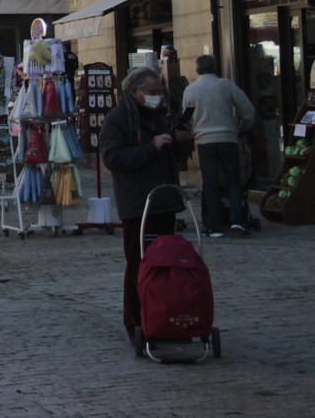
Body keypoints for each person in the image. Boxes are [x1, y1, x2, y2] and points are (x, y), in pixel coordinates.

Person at [100, 66, 193, 341]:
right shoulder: (119, 118)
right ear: (135, 92)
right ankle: (137, 322)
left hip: (163, 199)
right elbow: (113, 159)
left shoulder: (158, 116)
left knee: (167, 264)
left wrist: (181, 142)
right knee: (139, 264)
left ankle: (164, 316)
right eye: (152, 93)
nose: (158, 98)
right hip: (138, 203)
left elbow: (171, 156)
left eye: (160, 92)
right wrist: (151, 148)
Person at [182, 54, 257, 238]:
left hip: (205, 141)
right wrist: (240, 128)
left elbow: (186, 118)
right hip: (228, 138)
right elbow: (248, 111)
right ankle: (237, 221)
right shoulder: (226, 85)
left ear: (197, 69)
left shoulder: (191, 90)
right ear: (215, 68)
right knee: (233, 181)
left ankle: (214, 226)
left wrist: (194, 130)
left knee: (210, 183)